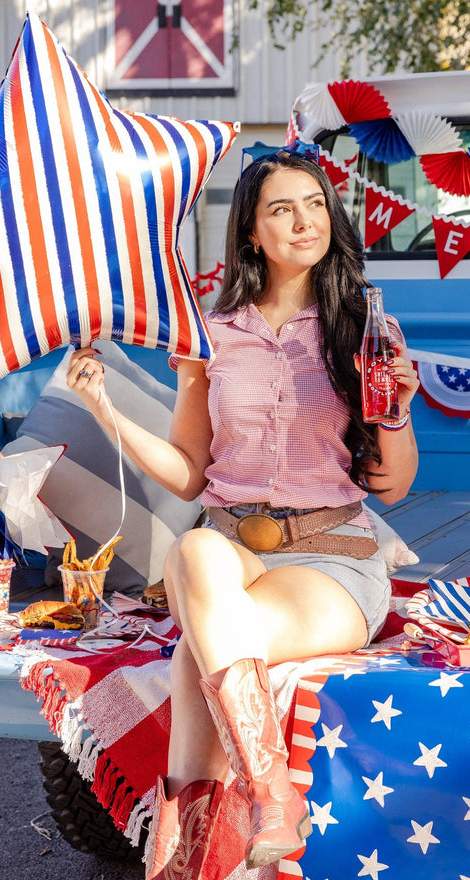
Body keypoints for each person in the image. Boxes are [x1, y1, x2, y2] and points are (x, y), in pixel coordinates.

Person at [66, 144, 420, 880]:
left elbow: (392, 486)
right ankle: (271, 797)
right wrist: (103, 409)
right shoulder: (211, 332)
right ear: (251, 232)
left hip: (331, 558)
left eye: (316, 204)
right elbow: (190, 476)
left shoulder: (363, 325)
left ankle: (192, 863)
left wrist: (396, 409)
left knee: (201, 651)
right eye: (281, 209)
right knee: (192, 552)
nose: (304, 221)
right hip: (230, 549)